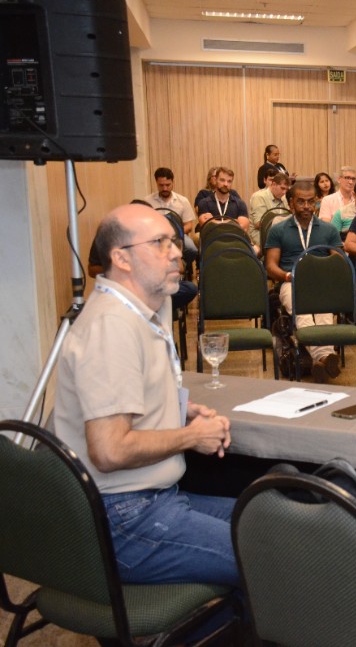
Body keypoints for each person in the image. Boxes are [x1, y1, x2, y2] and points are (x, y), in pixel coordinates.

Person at [53, 203, 238, 587]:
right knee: (275, 553)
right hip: (122, 515)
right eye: (159, 243)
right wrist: (191, 436)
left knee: (270, 527)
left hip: (151, 500)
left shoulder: (139, 312)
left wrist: (180, 411)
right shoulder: (112, 326)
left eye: (174, 241)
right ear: (121, 258)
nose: (176, 253)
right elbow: (109, 451)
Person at [264, 180, 344, 383]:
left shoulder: (328, 230)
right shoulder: (278, 229)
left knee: (324, 313)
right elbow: (270, 266)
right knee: (303, 312)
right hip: (290, 281)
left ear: (316, 202)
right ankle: (325, 356)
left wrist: (327, 272)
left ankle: (320, 360)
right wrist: (286, 276)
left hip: (321, 282)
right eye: (301, 202)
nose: (307, 206)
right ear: (291, 203)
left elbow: (339, 261)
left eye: (311, 202)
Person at [145, 167, 197, 262]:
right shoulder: (148, 201)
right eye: (161, 185)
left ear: (173, 182)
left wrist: (174, 233)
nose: (165, 188)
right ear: (156, 183)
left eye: (168, 185)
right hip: (155, 237)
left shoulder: (183, 201)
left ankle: (183, 266)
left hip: (178, 236)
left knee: (192, 249)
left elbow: (189, 226)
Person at [195, 166, 249, 232]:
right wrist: (234, 221)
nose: (226, 184)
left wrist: (213, 221)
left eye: (229, 181)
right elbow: (206, 226)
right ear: (215, 180)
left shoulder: (240, 204)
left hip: (233, 237)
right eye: (222, 180)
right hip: (213, 238)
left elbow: (243, 227)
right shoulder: (204, 203)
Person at [248, 171, 290, 248]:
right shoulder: (259, 197)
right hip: (262, 236)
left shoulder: (283, 198)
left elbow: (289, 217)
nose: (284, 192)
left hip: (280, 234)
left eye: (286, 189)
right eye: (282, 188)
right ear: (274, 184)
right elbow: (259, 224)